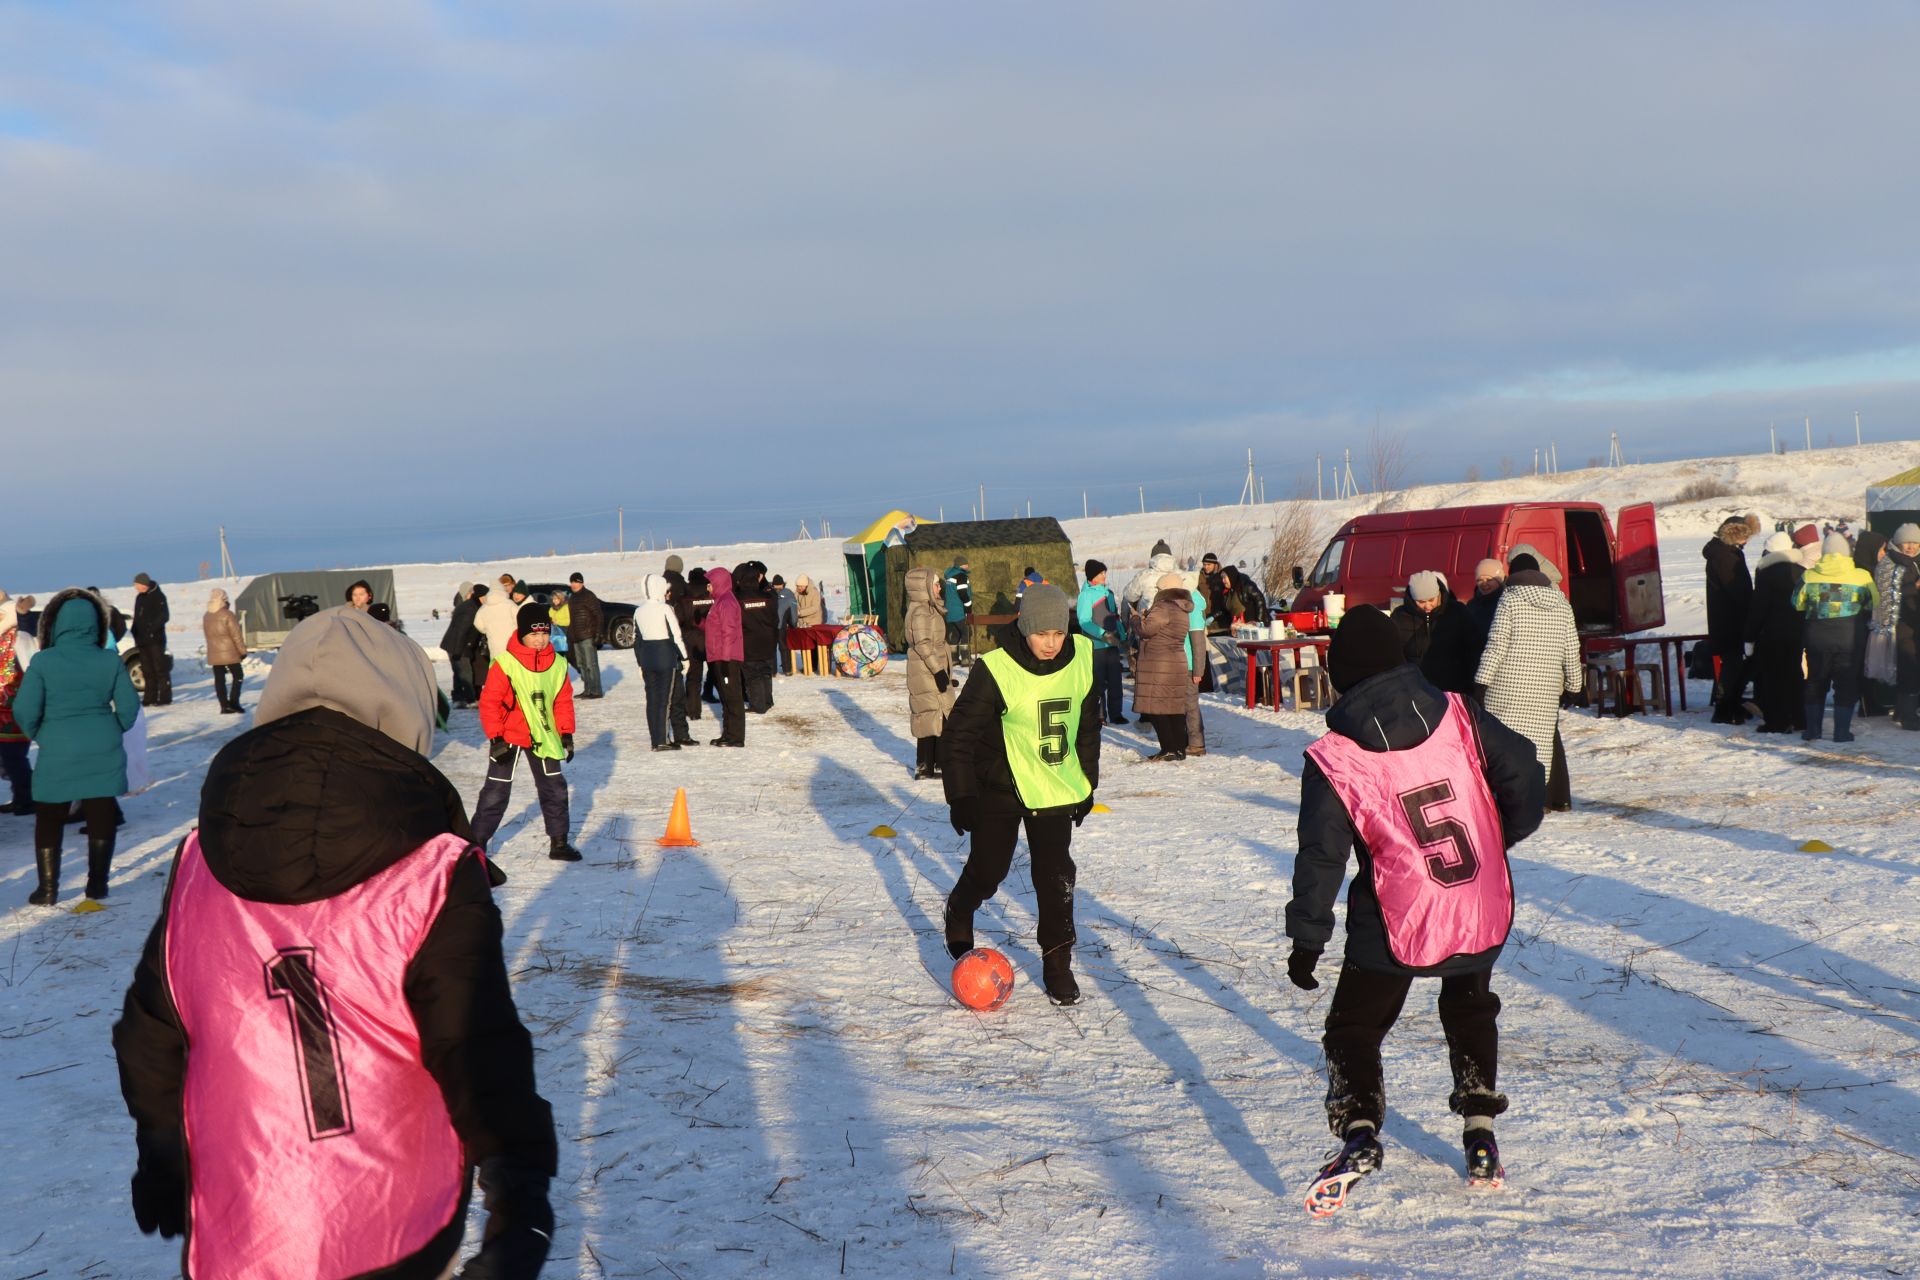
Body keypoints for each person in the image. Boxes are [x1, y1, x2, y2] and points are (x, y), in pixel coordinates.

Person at [112, 605, 558, 1280]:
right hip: (393, 1224)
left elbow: (153, 1030)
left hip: (242, 1226)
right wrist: (519, 1194)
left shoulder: (199, 859)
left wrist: (163, 1148)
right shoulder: (431, 870)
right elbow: (475, 1043)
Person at [1286, 604, 1545, 1210]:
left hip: (1396, 915)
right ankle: (1481, 1134)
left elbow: (1321, 856)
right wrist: (1496, 837)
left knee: (1353, 1027)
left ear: (1338, 674)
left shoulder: (1334, 756)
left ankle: (1359, 1133)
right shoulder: (1458, 712)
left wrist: (1307, 938)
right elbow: (1527, 773)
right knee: (1470, 1005)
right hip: (1476, 898)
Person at [941, 585, 1100, 1004]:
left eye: (1059, 633)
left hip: (1053, 787)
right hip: (1001, 785)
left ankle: (1057, 961)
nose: (1051, 643)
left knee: (1056, 878)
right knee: (990, 868)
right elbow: (958, 736)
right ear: (1025, 627)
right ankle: (960, 908)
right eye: (1041, 633)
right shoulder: (996, 669)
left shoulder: (1082, 658)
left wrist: (1086, 782)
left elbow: (1086, 727)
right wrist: (962, 795)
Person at [15, 589, 140, 903]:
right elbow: (128, 707)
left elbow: (24, 710)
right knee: (101, 813)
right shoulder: (109, 660)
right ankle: (97, 885)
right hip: (102, 744)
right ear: (96, 624)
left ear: (55, 625)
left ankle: (48, 888)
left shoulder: (43, 662)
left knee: (49, 816)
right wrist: (112, 729)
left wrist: (42, 734)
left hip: (57, 746)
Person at [472, 603, 582, 861]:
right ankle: (476, 844)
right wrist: (496, 736)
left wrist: (566, 733)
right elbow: (490, 703)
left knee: (554, 787)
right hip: (508, 736)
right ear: (522, 633)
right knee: (496, 791)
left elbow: (563, 700)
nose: (539, 639)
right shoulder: (505, 663)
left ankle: (559, 842)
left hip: (544, 736)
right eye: (533, 634)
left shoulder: (557, 663)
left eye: (544, 633)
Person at [1475, 555, 1582, 811]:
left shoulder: (1510, 600)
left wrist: (1480, 683)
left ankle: (1505, 801)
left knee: (1505, 746)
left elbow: (1497, 644)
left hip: (1506, 690)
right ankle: (1536, 799)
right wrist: (1575, 687)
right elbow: (1571, 649)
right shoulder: (1561, 603)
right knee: (1540, 746)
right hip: (1544, 692)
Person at [1797, 532, 1878, 742]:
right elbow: (1874, 603)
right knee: (1846, 684)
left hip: (1816, 638)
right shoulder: (1862, 576)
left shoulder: (1809, 575)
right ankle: (1841, 732)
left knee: (1815, 681)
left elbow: (1796, 602)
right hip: (1850, 638)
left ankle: (1813, 731)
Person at [1744, 532, 1806, 734]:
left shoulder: (1766, 573)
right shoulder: (1802, 572)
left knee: (1773, 679)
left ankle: (1777, 721)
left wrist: (1750, 637)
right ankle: (1799, 718)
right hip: (1796, 633)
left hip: (1772, 634)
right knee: (1794, 674)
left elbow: (1758, 608)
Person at [1133, 573, 1198, 760]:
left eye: (1159, 588)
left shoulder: (1163, 606)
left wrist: (1137, 619)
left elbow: (1147, 630)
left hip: (1160, 664)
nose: (1157, 591)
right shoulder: (1183, 608)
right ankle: (1179, 749)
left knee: (1157, 708)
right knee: (1174, 707)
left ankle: (1168, 748)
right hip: (1177, 661)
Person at [1392, 571, 1481, 695]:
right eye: (1421, 602)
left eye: (1431, 600)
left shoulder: (1457, 612)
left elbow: (1473, 649)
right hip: (1416, 689)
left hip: (1454, 688)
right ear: (1412, 599)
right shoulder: (1400, 617)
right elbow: (1394, 655)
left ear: (1438, 593)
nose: (1427, 606)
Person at [904, 567, 956, 779]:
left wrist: (946, 672)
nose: (939, 588)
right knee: (931, 715)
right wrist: (938, 671)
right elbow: (924, 644)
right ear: (923, 586)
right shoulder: (921, 612)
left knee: (937, 715)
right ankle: (926, 765)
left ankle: (935, 763)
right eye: (935, 584)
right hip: (925, 670)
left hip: (932, 668)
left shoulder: (930, 609)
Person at [1703, 518, 1754, 724]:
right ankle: (1724, 709)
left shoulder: (1725, 552)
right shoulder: (1725, 556)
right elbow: (1737, 590)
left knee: (1735, 665)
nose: (1747, 541)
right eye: (1744, 536)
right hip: (1730, 619)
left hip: (1727, 618)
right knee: (1733, 665)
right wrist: (1752, 605)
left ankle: (1731, 705)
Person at [634, 574, 689, 751]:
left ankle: (655, 739)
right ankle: (663, 740)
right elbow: (675, 636)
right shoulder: (665, 609)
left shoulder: (639, 611)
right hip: (666, 657)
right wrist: (685, 658)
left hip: (647, 659)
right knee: (664, 700)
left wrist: (640, 663)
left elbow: (637, 641)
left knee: (652, 700)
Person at [1874, 524, 1920, 730]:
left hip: (1914, 621)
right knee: (1909, 667)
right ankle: (1908, 717)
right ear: (1898, 542)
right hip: (1900, 624)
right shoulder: (1890, 562)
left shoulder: (1914, 562)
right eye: (1907, 542)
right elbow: (1888, 592)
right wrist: (1914, 587)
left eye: (1915, 542)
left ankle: (1902, 711)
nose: (1911, 547)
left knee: (1910, 667)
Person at [1075, 560, 1128, 725]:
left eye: (1105, 572)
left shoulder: (1109, 593)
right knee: (1097, 683)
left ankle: (1116, 714)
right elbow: (1083, 621)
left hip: (1112, 645)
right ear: (1092, 577)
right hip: (1095, 646)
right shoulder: (1086, 595)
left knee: (1115, 681)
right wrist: (1103, 634)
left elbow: (1114, 617)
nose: (1104, 575)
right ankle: (1099, 716)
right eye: (1101, 573)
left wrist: (1122, 636)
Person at [0, 597, 37, 815]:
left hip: (13, 707)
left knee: (14, 755)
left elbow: (10, 674)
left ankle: (26, 797)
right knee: (10, 756)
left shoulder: (15, 639)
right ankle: (21, 796)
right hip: (8, 705)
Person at [703, 567, 747, 747]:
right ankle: (728, 733)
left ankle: (736, 737)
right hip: (718, 657)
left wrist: (727, 661)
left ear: (718, 583)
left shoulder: (726, 602)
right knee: (726, 698)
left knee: (733, 698)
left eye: (710, 584)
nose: (708, 588)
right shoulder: (719, 601)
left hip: (726, 658)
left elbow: (729, 632)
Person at [1853, 530, 1892, 718]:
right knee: (1863, 664)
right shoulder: (1862, 572)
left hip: (1867, 624)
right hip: (1860, 626)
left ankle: (1869, 702)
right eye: (1882, 550)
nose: (1884, 554)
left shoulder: (1870, 568)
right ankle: (1866, 704)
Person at [662, 560, 698, 745]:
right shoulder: (683, 587)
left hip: (661, 648)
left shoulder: (659, 583)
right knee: (677, 693)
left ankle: (663, 735)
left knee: (663, 696)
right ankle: (681, 734)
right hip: (679, 643)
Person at [736, 561, 779, 713]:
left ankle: (758, 705)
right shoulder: (768, 597)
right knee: (765, 671)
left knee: (753, 674)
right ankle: (767, 701)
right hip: (767, 639)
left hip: (749, 642)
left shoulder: (738, 599)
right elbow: (775, 619)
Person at [203, 588, 248, 715]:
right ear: (224, 599)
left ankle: (224, 706)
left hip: (214, 652)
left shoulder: (206, 615)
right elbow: (236, 635)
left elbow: (208, 635)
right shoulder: (227, 614)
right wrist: (242, 651)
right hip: (229, 652)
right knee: (238, 676)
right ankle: (234, 703)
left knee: (219, 679)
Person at [440, 583, 483, 708]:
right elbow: (462, 630)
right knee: (465, 672)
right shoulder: (466, 607)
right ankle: (469, 699)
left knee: (459, 671)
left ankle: (459, 698)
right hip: (457, 644)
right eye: (470, 592)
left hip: (455, 644)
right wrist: (460, 649)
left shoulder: (466, 605)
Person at [132, 572, 172, 706]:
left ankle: (165, 697)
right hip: (142, 640)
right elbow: (137, 617)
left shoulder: (159, 596)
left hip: (156, 640)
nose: (135, 587)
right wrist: (134, 631)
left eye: (137, 584)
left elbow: (164, 616)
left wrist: (151, 630)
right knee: (147, 670)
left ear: (144, 584)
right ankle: (149, 698)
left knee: (159, 669)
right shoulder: (139, 598)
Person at [565, 572, 605, 699]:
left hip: (587, 635)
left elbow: (598, 615)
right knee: (581, 664)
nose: (573, 584)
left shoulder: (589, 596)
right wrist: (570, 636)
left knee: (590, 664)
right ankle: (587, 690)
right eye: (572, 582)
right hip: (576, 637)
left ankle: (596, 690)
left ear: (581, 582)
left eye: (576, 582)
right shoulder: (572, 598)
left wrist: (598, 633)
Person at [474, 577, 520, 667]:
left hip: (495, 647)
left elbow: (477, 624)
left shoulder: (484, 608)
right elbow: (520, 621)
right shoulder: (510, 604)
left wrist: (487, 630)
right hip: (512, 646)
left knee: (498, 672)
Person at [1465, 559, 1505, 642]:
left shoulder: (1505, 603)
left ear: (1499, 580)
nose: (1484, 584)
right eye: (1480, 580)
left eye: (1489, 580)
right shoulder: (1472, 605)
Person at [941, 559, 974, 662]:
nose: (967, 566)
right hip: (959, 611)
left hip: (949, 612)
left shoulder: (949, 576)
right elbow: (963, 593)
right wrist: (968, 608)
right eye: (965, 564)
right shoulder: (961, 576)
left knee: (955, 634)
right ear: (960, 565)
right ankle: (965, 658)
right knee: (966, 632)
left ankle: (954, 659)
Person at [771, 575, 798, 676]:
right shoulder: (789, 594)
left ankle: (772, 671)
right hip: (780, 625)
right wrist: (793, 624)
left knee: (772, 648)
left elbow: (793, 611)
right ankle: (787, 669)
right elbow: (793, 612)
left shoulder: (768, 592)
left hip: (771, 626)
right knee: (783, 647)